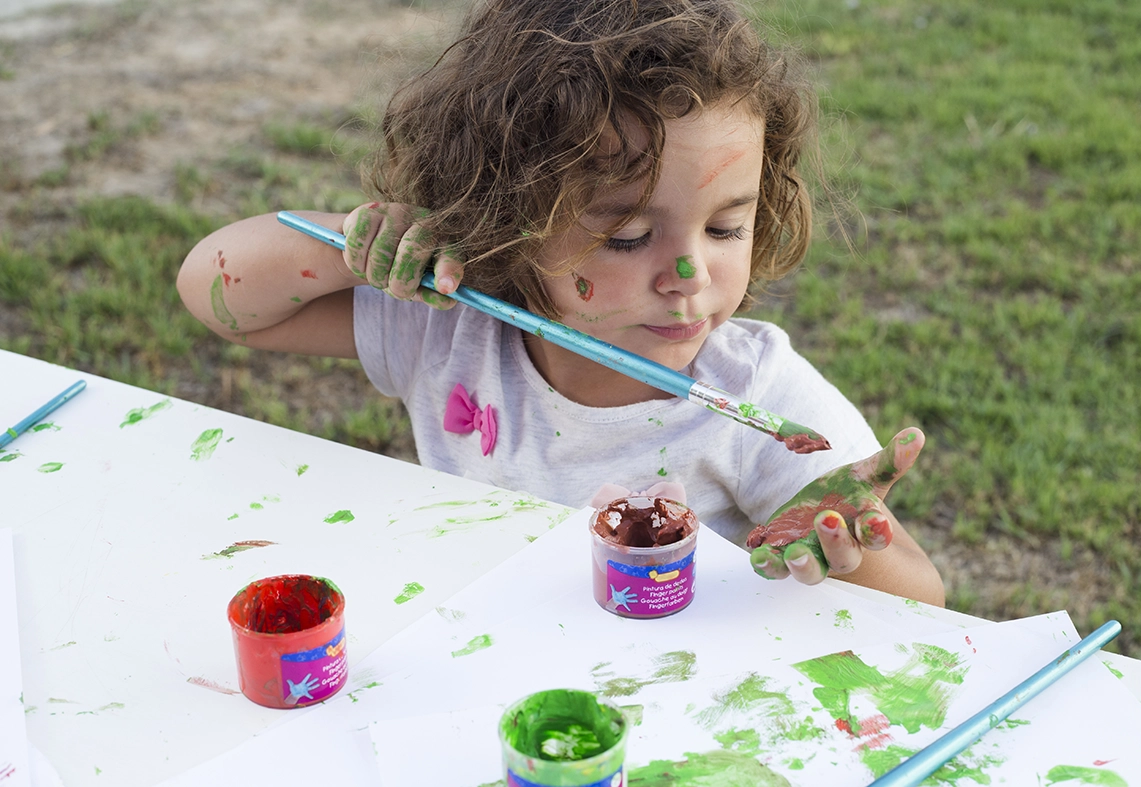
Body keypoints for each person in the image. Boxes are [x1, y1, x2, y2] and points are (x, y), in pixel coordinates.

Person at [177, 0, 944, 605]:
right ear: (508, 221)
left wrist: (842, 554)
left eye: (724, 226)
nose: (688, 271)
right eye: (627, 236)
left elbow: (926, 595)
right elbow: (221, 298)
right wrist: (347, 241)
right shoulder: (451, 328)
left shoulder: (756, 398)